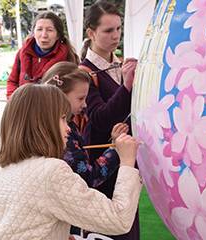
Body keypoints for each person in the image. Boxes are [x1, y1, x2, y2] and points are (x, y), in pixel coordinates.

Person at [0, 84, 142, 239]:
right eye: (63, 119)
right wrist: (127, 162)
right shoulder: (51, 172)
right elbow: (118, 220)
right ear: (43, 123)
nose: (68, 129)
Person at [42, 62, 130, 236]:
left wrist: (112, 142)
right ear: (59, 96)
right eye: (81, 98)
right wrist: (117, 151)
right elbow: (89, 177)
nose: (84, 105)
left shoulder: (60, 126)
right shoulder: (64, 135)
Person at [80, 1, 139, 239]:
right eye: (108, 30)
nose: (115, 36)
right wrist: (126, 86)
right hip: (101, 165)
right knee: (108, 228)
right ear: (91, 32)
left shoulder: (120, 63)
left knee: (129, 224)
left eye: (118, 29)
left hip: (126, 159)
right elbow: (100, 118)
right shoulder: (84, 72)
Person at [6, 11, 79, 98]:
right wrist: (14, 100)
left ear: (58, 35)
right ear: (33, 33)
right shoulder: (22, 53)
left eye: (49, 30)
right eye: (39, 29)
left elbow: (73, 93)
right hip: (23, 108)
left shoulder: (68, 58)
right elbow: (12, 81)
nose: (44, 35)